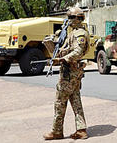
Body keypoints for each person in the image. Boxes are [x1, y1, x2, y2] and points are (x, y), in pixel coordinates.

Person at [43, 7, 90, 140]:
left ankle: (57, 131)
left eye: (70, 17)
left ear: (78, 18)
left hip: (70, 72)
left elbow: (78, 52)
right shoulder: (73, 32)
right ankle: (81, 130)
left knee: (59, 101)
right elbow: (65, 50)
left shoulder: (79, 34)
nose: (68, 20)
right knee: (75, 101)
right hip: (72, 72)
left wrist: (63, 59)